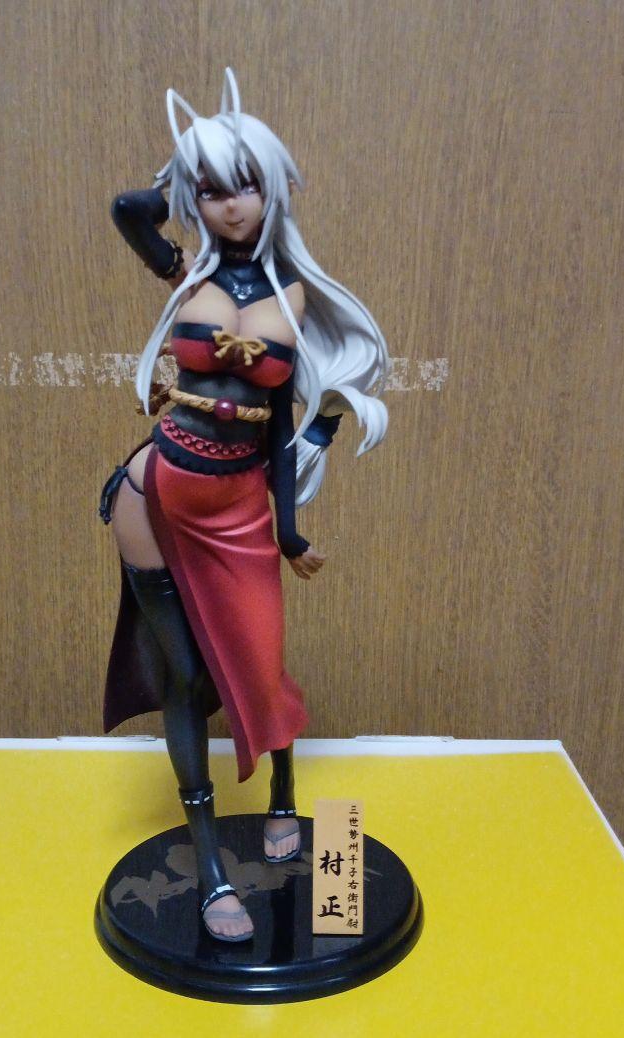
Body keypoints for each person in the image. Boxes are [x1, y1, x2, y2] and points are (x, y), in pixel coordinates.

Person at [100, 69, 389, 943]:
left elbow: (280, 431)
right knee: (184, 677)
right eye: (213, 190)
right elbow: (126, 210)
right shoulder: (183, 276)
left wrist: (289, 530)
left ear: (273, 190)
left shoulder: (292, 296)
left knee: (260, 661)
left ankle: (284, 792)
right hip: (157, 493)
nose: (230, 205)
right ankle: (211, 872)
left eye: (246, 184)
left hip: (238, 504)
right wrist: (179, 169)